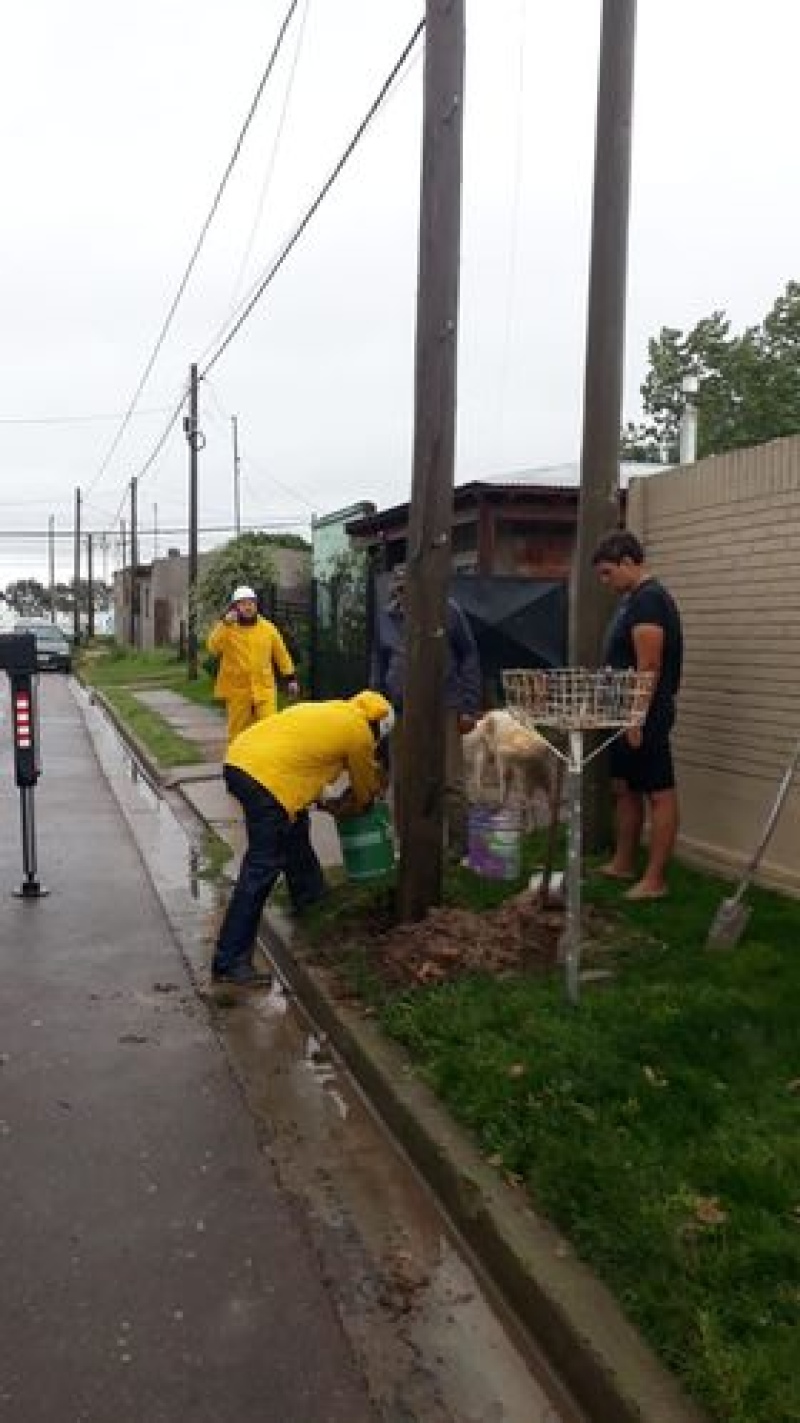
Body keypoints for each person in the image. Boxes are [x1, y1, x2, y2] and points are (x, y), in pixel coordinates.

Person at [211, 689, 393, 986]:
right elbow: (365, 787)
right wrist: (358, 804)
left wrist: (323, 799)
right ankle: (229, 961)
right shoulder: (359, 732)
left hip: (241, 759)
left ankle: (310, 899)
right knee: (262, 867)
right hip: (265, 778)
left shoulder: (334, 708)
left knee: (295, 831)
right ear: (379, 728)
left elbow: (303, 756)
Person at [592, 530, 683, 900]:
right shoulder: (632, 600)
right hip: (623, 709)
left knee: (658, 792)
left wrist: (635, 717)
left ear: (629, 562)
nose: (605, 582)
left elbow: (649, 663)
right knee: (624, 789)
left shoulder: (650, 602)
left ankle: (655, 879)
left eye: (607, 573)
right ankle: (623, 862)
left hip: (646, 714)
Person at [371, 565, 481, 861]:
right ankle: (406, 844)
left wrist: (469, 707)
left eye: (409, 590)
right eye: (399, 590)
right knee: (403, 778)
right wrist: (376, 704)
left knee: (450, 779)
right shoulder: (387, 616)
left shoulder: (449, 611)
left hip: (444, 704)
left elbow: (468, 655)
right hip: (399, 708)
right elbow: (379, 661)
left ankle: (459, 846)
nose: (404, 596)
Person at [207, 585, 299, 747]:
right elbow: (213, 648)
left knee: (269, 727)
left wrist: (290, 678)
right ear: (235, 607)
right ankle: (237, 764)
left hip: (264, 689)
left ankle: (266, 762)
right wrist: (223, 624)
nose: (248, 607)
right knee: (238, 733)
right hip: (237, 690)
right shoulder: (227, 629)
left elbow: (281, 654)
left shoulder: (268, 628)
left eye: (251, 603)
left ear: (256, 605)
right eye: (243, 603)